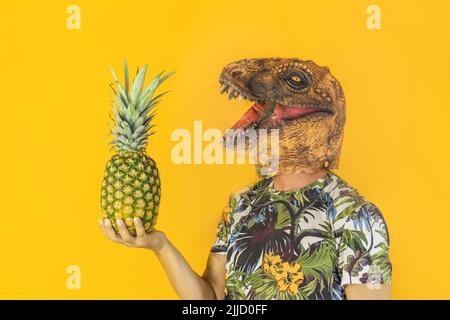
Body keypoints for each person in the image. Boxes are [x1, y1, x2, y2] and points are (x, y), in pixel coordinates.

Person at [99, 58, 392, 300]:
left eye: (295, 82)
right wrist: (160, 245)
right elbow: (211, 297)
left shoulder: (356, 216)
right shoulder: (241, 204)